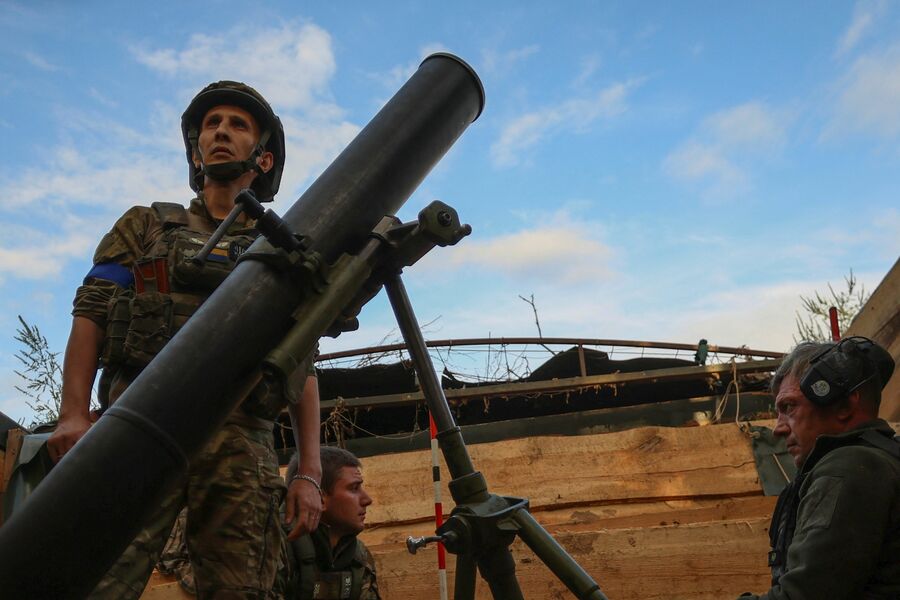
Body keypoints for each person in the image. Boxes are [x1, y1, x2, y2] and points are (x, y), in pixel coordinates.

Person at [47, 81, 324, 599]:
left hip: (241, 439)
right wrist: (73, 414)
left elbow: (301, 360)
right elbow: (91, 312)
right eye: (211, 124)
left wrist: (309, 470)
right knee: (97, 581)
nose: (220, 131)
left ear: (263, 159)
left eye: (238, 125)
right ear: (196, 151)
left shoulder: (281, 247)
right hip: (140, 419)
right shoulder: (146, 225)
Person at [739, 336, 900, 599]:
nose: (778, 428)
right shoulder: (884, 459)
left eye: (789, 407)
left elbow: (804, 595)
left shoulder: (850, 467)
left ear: (844, 405)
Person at [283, 446, 380, 600]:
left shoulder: (358, 557)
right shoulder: (276, 549)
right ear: (319, 498)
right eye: (354, 488)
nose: (367, 500)